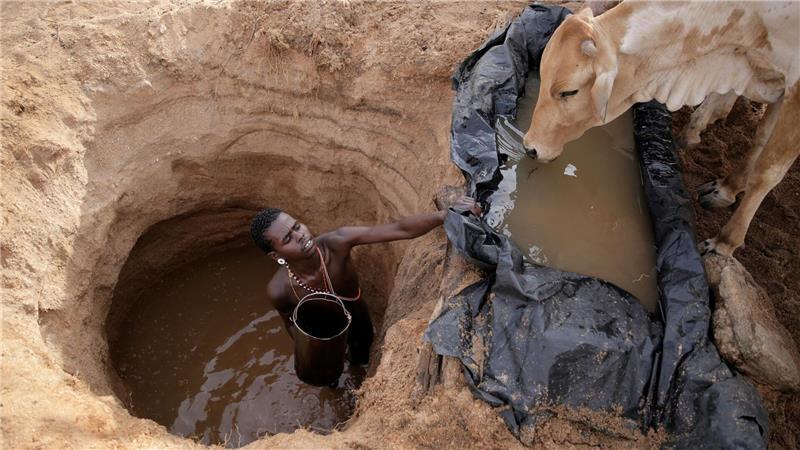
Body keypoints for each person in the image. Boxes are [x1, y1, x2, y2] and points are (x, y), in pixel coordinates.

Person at [250, 196, 481, 365]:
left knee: (362, 359)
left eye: (297, 226)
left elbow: (399, 229)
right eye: (289, 238)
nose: (301, 236)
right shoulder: (279, 290)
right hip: (322, 335)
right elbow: (290, 323)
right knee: (325, 375)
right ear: (276, 255)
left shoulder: (337, 243)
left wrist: (444, 215)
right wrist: (310, 351)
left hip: (358, 320)